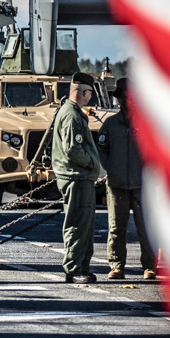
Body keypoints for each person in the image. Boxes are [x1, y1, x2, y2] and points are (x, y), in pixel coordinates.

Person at [97, 78, 157, 280]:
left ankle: (149, 266)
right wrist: (111, 169)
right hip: (117, 185)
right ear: (119, 100)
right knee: (116, 227)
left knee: (146, 228)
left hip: (142, 185)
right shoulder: (110, 124)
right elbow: (102, 150)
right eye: (123, 98)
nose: (128, 101)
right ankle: (116, 265)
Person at [51, 72, 104, 283]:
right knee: (77, 224)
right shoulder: (72, 114)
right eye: (90, 92)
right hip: (76, 177)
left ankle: (81, 266)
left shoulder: (71, 111)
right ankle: (74, 269)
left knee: (85, 225)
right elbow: (72, 148)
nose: (91, 96)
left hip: (80, 177)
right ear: (83, 92)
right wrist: (93, 164)